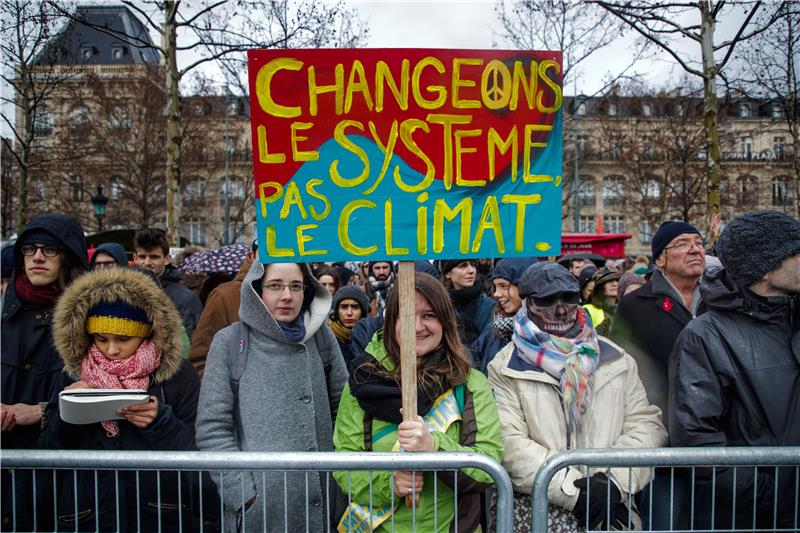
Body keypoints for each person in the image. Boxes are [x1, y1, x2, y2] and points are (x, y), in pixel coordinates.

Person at [488, 262, 666, 532]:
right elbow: (509, 442)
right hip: (538, 512)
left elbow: (645, 424)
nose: (560, 310)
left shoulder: (615, 359)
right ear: (527, 304)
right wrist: (573, 491)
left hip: (610, 508)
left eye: (569, 298)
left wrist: (612, 483)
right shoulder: (505, 366)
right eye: (548, 300)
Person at [333, 272, 503, 533]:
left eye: (429, 316)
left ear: (445, 321)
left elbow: (488, 465)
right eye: (408, 315)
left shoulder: (469, 383)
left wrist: (435, 447)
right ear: (391, 321)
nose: (418, 327)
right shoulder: (362, 381)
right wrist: (388, 483)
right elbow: (344, 465)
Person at [41, 267, 206, 531]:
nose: (112, 350)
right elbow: (49, 449)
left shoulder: (177, 375)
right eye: (101, 339)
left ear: (147, 333)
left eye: (123, 339)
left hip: (158, 514)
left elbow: (199, 449)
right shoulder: (73, 373)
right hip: (91, 513)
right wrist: (68, 413)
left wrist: (160, 422)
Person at [670, 210, 800, 530]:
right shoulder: (705, 337)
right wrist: (772, 497)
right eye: (797, 253)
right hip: (758, 516)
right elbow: (697, 440)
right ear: (765, 267)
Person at [196, 261, 348, 532]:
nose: (287, 295)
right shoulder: (229, 342)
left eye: (296, 286)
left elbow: (345, 415)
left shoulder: (322, 338)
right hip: (260, 512)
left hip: (323, 504)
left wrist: (339, 484)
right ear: (257, 289)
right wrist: (242, 495)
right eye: (275, 286)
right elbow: (212, 428)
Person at [1, 213, 88, 530]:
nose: (37, 256)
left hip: (61, 482)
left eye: (49, 249)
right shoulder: (3, 314)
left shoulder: (91, 321)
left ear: (69, 256)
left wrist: (42, 411)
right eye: (30, 248)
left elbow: (99, 394)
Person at [611, 220, 706, 420]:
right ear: (661, 259)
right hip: (660, 418)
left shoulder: (719, 299)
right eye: (682, 244)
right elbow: (621, 370)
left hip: (718, 419)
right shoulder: (635, 305)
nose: (695, 250)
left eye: (699, 243)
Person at [188, 240, 257, 378]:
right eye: (268, 253)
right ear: (252, 256)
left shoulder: (305, 296)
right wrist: (222, 394)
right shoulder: (225, 296)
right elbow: (200, 359)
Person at [470, 257, 537, 373]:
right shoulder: (495, 327)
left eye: (503, 286)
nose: (496, 294)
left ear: (525, 286)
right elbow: (472, 358)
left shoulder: (544, 333)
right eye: (495, 287)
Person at [133, 228, 203, 338]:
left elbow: (194, 342)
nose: (147, 262)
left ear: (167, 259)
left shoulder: (186, 298)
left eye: (154, 257)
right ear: (135, 258)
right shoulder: (122, 291)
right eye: (142, 257)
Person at [441, 259, 495, 345]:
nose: (471, 270)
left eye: (473, 265)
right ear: (448, 273)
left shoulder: (490, 307)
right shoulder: (440, 306)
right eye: (463, 266)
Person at [329, 285, 370, 369]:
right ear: (337, 311)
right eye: (344, 307)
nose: (349, 313)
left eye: (355, 307)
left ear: (362, 311)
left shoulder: (371, 339)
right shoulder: (328, 339)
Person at [582, 269, 621, 336]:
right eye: (609, 281)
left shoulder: (626, 309)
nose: (615, 284)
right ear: (600, 287)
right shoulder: (588, 309)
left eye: (617, 281)